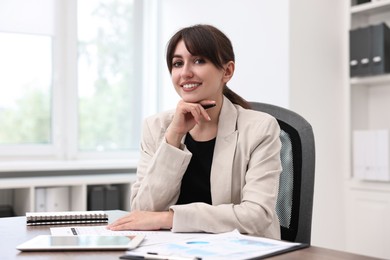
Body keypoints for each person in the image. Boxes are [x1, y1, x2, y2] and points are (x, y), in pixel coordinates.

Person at [107, 24, 282, 239]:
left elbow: (256, 216)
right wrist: (174, 136)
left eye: (199, 61)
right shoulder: (156, 127)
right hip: (172, 249)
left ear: (227, 71)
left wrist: (170, 218)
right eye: (178, 63)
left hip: (241, 250)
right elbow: (144, 209)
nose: (185, 73)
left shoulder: (260, 128)